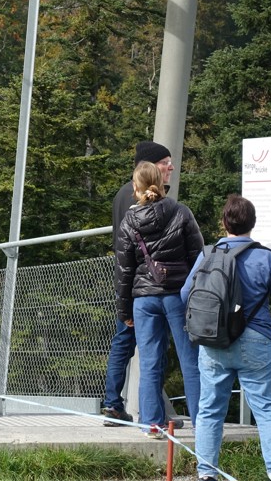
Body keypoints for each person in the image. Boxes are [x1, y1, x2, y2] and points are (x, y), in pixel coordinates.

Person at [182, 195, 271, 481]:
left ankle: (206, 474)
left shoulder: (208, 255)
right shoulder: (266, 256)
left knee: (209, 410)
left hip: (214, 342)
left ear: (224, 223)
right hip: (257, 339)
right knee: (268, 408)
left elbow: (186, 295)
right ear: (253, 224)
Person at [115, 161, 204, 438]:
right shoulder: (181, 212)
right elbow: (198, 256)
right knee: (191, 361)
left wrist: (123, 310)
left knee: (149, 362)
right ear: (161, 182)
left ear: (135, 187)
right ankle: (203, 423)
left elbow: (124, 270)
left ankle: (151, 424)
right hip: (178, 295)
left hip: (144, 299)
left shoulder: (130, 220)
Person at [102, 141, 175, 425]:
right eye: (165, 162)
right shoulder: (148, 198)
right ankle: (152, 412)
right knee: (154, 346)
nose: (170, 167)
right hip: (148, 284)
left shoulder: (121, 194)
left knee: (123, 342)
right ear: (150, 165)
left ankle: (112, 404)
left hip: (126, 280)